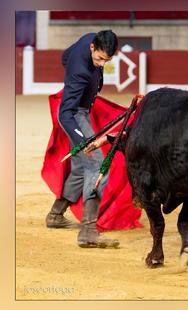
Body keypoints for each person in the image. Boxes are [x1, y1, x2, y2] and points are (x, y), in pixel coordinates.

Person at [45, 30, 120, 248]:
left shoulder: (90, 38)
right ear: (92, 48)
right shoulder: (80, 71)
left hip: (82, 111)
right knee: (97, 165)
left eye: (106, 60)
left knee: (81, 168)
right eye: (98, 58)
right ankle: (88, 231)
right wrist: (82, 141)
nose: (101, 64)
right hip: (75, 116)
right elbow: (65, 113)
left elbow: (64, 56)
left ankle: (55, 215)